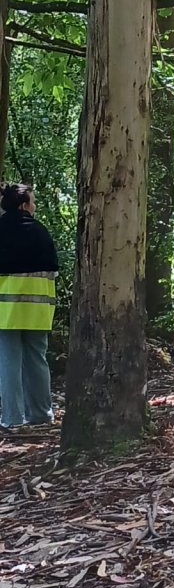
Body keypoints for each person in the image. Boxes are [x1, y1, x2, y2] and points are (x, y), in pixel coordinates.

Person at [0, 183, 59, 429]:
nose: (34, 206)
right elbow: (53, 270)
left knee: (8, 361)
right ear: (24, 206)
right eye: (32, 202)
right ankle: (41, 414)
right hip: (38, 310)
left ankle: (12, 418)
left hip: (5, 311)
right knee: (37, 359)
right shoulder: (41, 232)